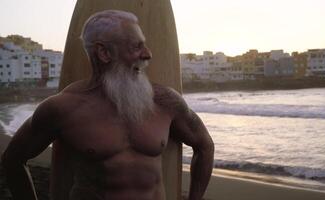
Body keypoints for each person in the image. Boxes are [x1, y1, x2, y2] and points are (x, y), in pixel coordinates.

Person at [1, 10, 214, 200]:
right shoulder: (63, 108)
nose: (148, 54)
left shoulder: (165, 101)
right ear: (104, 53)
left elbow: (204, 145)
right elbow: (13, 159)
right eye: (137, 46)